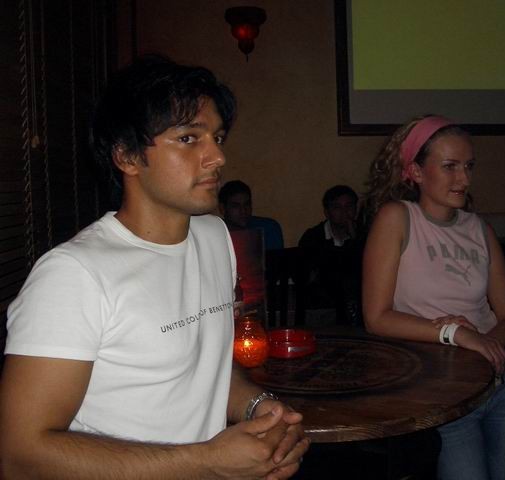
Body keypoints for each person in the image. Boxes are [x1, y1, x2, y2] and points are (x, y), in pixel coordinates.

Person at [0, 55, 308, 479]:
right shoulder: (73, 275)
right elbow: (19, 455)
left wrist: (260, 408)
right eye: (188, 138)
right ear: (127, 157)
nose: (217, 156)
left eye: (217, 137)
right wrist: (208, 462)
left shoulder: (214, 236)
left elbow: (202, 371)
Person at [362, 115, 505, 480]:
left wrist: (485, 347)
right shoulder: (397, 218)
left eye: (469, 166)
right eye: (450, 166)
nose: (464, 179)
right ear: (416, 172)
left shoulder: (479, 228)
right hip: (445, 390)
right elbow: (376, 317)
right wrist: (458, 335)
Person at [298, 185, 363, 325]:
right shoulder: (313, 237)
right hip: (323, 305)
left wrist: (354, 239)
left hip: (357, 301)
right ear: (327, 212)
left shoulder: (366, 234)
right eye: (337, 207)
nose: (344, 212)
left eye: (349, 206)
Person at [218, 180, 284, 251]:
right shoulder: (216, 233)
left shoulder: (268, 228)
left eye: (247, 204)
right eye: (236, 206)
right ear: (223, 208)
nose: (243, 211)